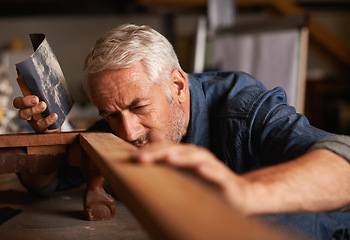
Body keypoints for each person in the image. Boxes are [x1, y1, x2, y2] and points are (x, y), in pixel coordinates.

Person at [13, 24, 350, 239]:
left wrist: (242, 192)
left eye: (138, 108)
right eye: (111, 115)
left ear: (176, 85)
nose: (128, 132)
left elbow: (343, 167)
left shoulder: (244, 109)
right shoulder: (117, 124)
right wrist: (45, 138)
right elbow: (48, 186)